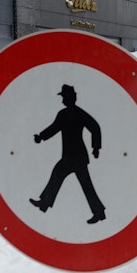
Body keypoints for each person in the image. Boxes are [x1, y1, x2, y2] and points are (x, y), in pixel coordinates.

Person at [30, 84, 106, 224]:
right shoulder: (63, 114)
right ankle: (45, 203)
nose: (63, 100)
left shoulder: (75, 113)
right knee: (63, 176)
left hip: (76, 157)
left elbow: (94, 127)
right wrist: (41, 137)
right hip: (71, 156)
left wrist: (96, 148)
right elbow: (54, 128)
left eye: (64, 97)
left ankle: (45, 203)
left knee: (81, 183)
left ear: (70, 98)